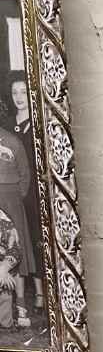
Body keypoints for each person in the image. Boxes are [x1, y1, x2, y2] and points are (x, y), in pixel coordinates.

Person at [5, 73, 42, 311]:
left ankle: (40, 293)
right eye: (14, 92)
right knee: (15, 237)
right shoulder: (8, 124)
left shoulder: (38, 121)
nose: (19, 97)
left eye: (22, 91)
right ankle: (18, 298)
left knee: (35, 238)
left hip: (33, 190)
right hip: (12, 191)